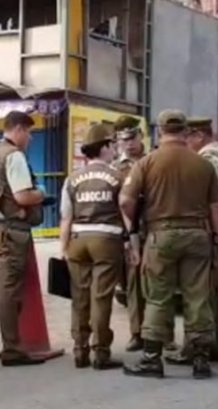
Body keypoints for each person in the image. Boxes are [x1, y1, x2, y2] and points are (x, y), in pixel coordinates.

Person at [119, 109, 218, 379]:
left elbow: (125, 201)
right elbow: (217, 206)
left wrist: (134, 228)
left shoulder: (146, 163)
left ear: (160, 131)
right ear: (185, 131)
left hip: (160, 236)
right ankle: (200, 360)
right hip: (198, 234)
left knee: (157, 297)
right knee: (198, 295)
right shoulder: (203, 164)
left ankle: (152, 359)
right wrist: (216, 238)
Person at [0, 111, 47, 366]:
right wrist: (41, 193)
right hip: (10, 230)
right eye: (29, 133)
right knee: (9, 290)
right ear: (19, 129)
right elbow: (23, 196)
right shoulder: (13, 155)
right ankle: (13, 349)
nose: (30, 139)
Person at [167, 117, 218, 365]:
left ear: (199, 135)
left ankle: (197, 348)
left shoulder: (209, 160)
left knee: (198, 293)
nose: (184, 143)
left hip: (209, 230)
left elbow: (204, 197)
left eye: (187, 137)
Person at [59, 122, 128, 370]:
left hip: (78, 241)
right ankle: (101, 352)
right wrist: (132, 242)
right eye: (112, 145)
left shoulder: (72, 179)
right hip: (107, 241)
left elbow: (65, 217)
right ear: (105, 147)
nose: (115, 149)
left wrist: (63, 249)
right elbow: (126, 210)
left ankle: (80, 350)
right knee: (101, 297)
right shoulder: (117, 177)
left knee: (80, 297)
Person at [112, 115, 176, 353]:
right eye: (123, 140)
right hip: (131, 231)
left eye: (132, 138)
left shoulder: (155, 160)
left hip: (156, 227)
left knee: (162, 283)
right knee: (134, 285)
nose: (129, 144)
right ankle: (137, 334)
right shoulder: (116, 168)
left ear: (141, 136)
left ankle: (165, 335)